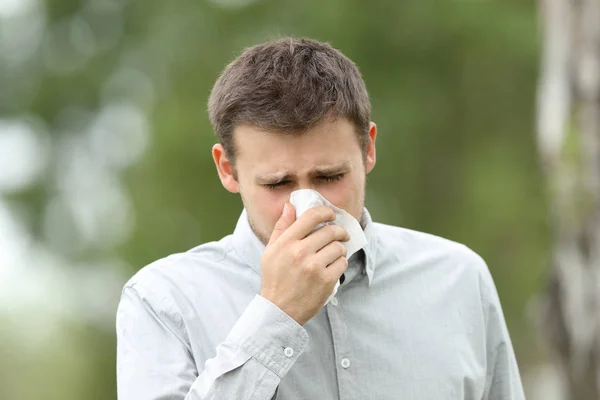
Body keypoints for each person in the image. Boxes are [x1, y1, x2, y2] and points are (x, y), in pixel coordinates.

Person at [116, 37, 525, 399]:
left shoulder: (459, 279)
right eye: (277, 183)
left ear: (368, 149)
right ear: (228, 169)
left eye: (329, 176)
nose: (307, 206)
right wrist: (276, 315)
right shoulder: (163, 301)